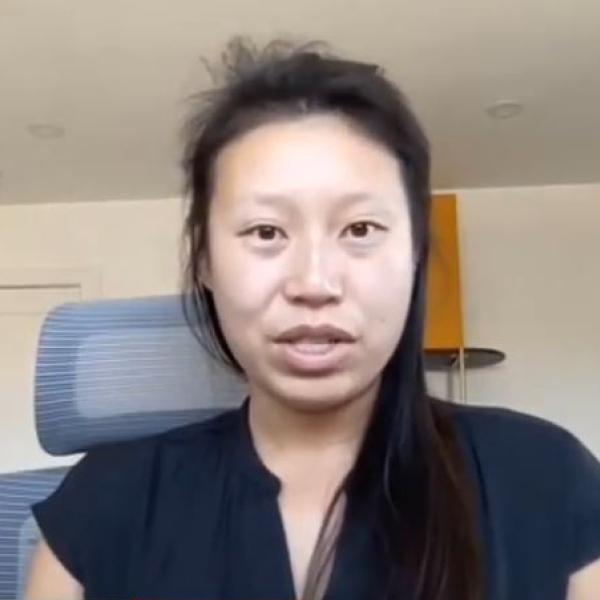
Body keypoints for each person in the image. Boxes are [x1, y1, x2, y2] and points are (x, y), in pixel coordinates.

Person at [25, 36, 600, 600]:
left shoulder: (550, 482)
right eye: (266, 232)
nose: (314, 284)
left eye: (359, 230)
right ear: (205, 262)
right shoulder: (101, 506)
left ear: (416, 252)